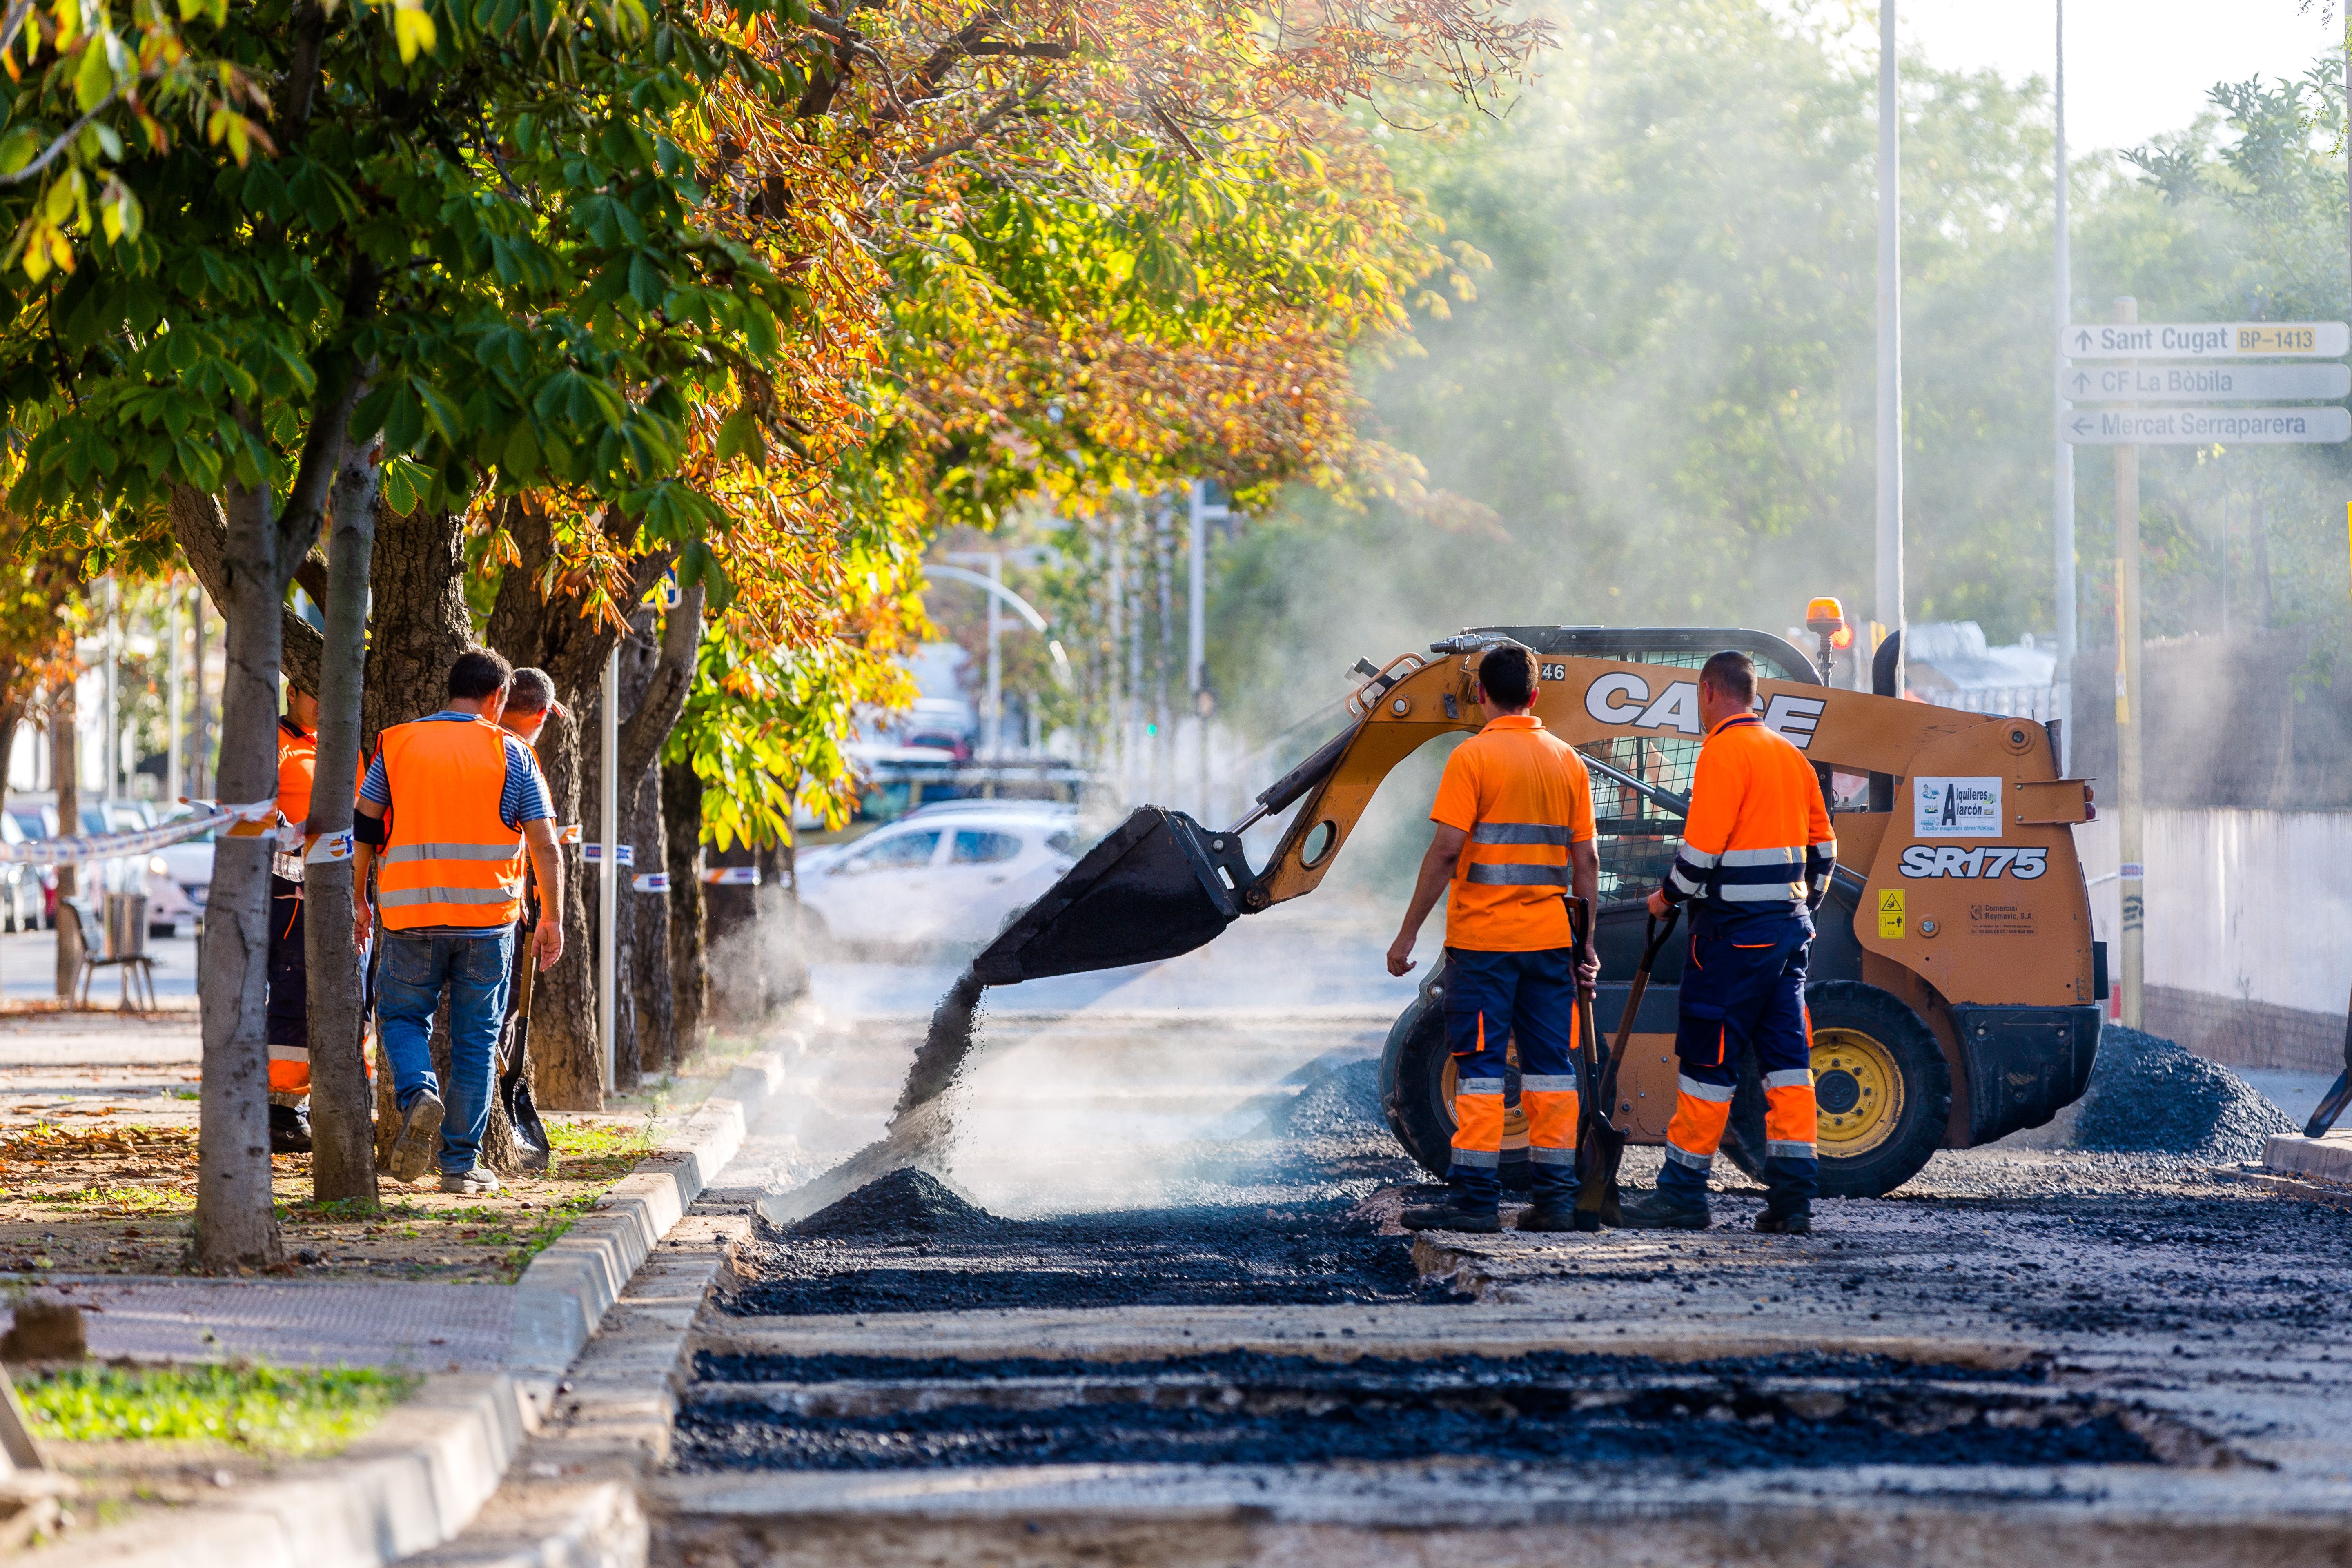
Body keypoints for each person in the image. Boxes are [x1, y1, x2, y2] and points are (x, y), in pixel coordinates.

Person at [1617, 650, 1836, 1234]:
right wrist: (1797, 908)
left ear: (1711, 691)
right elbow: (1826, 851)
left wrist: (1666, 898)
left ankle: (1684, 1194)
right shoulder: (1791, 757)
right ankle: (1793, 1203)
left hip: (1733, 939)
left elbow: (1700, 853)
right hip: (1789, 937)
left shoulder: (1721, 752)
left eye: (1697, 695)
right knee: (1788, 1067)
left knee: (1708, 1062)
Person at [1384, 644, 1600, 1234]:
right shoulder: (1567, 762)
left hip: (1485, 948)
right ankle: (1556, 1200)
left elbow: (1448, 851)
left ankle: (1476, 1202)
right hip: (1552, 944)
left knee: (1480, 1070)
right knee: (1552, 1071)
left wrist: (1407, 935)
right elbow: (1587, 863)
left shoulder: (1472, 758)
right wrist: (1585, 944)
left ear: (1480, 693)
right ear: (1535, 695)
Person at [351, 650, 566, 1193]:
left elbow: (365, 829)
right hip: (486, 923)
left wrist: (358, 899)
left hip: (408, 915)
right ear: (497, 698)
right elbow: (544, 844)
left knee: (400, 1020)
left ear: (452, 690)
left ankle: (420, 1090)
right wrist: (553, 920)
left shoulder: (396, 746)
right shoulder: (515, 755)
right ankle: (460, 1166)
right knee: (476, 1041)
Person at [266, 680, 318, 1154]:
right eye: (316, 692)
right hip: (289, 894)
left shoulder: (344, 745)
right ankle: (280, 1110)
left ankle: (315, 1102)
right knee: (291, 994)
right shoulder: (277, 744)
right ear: (294, 691)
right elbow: (262, 816)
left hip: (340, 892)